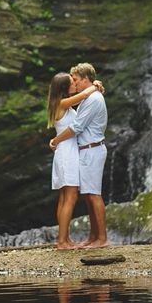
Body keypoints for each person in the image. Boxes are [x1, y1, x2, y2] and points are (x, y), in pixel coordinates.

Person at [49, 62, 109, 248]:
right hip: (72, 152)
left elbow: (77, 127)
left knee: (87, 195)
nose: (74, 83)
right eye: (71, 81)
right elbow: (81, 100)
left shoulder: (91, 99)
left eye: (75, 80)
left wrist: (56, 140)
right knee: (76, 197)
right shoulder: (69, 102)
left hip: (86, 150)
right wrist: (94, 86)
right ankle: (69, 239)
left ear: (84, 79)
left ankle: (100, 238)